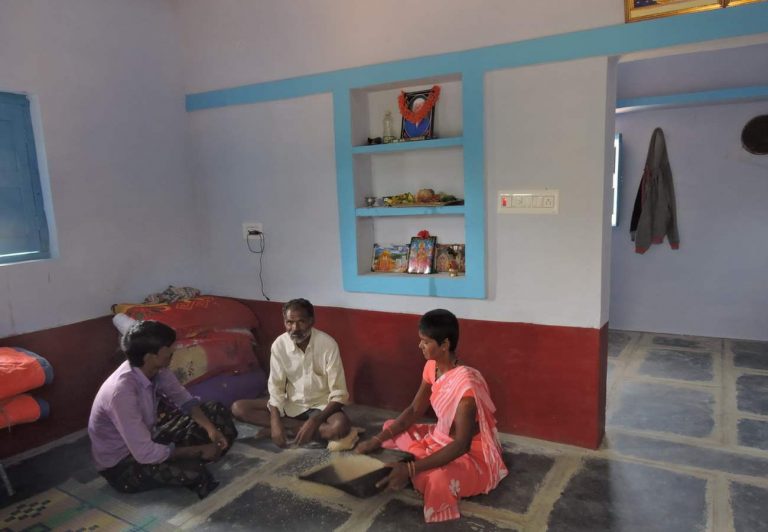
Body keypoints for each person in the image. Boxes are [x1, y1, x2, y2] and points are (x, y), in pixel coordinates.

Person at [356, 309, 508, 523]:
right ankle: (418, 467)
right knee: (391, 426)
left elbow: (461, 445)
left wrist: (409, 468)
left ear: (444, 345)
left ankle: (417, 468)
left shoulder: (467, 390)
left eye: (425, 342)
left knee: (437, 480)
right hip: (439, 437)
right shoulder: (432, 367)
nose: (420, 346)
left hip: (468, 452)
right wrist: (376, 440)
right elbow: (414, 410)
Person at [88, 320, 237, 499]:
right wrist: (196, 450)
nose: (173, 350)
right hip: (123, 463)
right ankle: (198, 457)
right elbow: (144, 453)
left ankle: (200, 453)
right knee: (195, 474)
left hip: (150, 438)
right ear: (150, 357)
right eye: (168, 347)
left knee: (214, 410)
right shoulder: (121, 393)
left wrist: (211, 430)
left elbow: (184, 400)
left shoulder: (158, 369)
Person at [231, 298, 353, 448]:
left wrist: (315, 421)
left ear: (311, 321)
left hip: (321, 405)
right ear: (284, 322)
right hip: (290, 404)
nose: (295, 328)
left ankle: (293, 429)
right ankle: (295, 428)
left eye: (301, 322)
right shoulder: (279, 345)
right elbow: (276, 388)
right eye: (289, 322)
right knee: (239, 408)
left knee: (339, 427)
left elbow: (339, 394)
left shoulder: (328, 345)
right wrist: (275, 422)